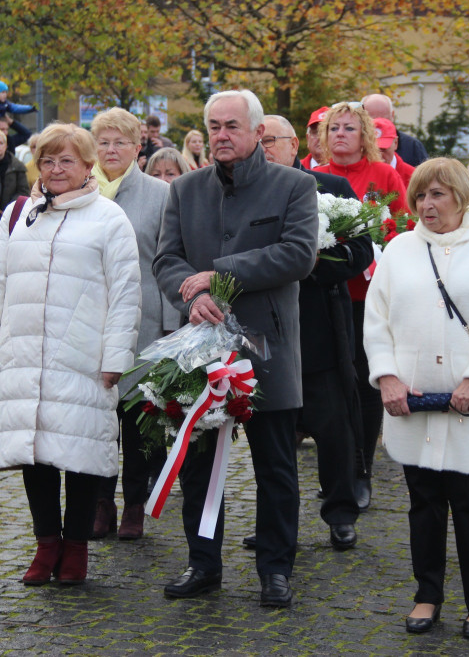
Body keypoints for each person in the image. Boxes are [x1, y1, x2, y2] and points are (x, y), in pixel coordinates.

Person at [153, 89, 318, 607]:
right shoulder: (184, 189)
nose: (221, 135)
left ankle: (275, 569)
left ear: (254, 132)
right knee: (198, 464)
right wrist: (195, 290)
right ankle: (203, 563)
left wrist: (218, 275)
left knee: (275, 467)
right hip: (200, 349)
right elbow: (167, 259)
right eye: (214, 126)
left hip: (267, 347)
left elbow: (297, 255)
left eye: (231, 126)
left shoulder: (295, 185)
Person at [0, 123, 141, 587]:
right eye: (47, 160)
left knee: (82, 455)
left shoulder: (109, 219)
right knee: (35, 454)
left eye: (67, 160)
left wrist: (115, 357)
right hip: (25, 351)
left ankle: (77, 548)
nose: (56, 169)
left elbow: (127, 292)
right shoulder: (18, 214)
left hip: (82, 355)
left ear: (88, 166)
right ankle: (47, 544)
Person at [364, 158, 469, 639]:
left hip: (468, 402)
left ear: (460, 195)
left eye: (437, 195)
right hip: (411, 402)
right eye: (419, 196)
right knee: (424, 504)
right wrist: (387, 377)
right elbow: (377, 320)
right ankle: (427, 594)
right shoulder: (399, 249)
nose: (426, 205)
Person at [250, 113, 372, 550]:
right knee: (272, 440)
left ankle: (341, 513)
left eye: (271, 141)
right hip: (265, 333)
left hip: (319, 328)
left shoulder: (331, 189)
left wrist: (311, 265)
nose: (263, 148)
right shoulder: (245, 191)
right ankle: (276, 522)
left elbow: (359, 252)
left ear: (294, 144)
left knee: (334, 431)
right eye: (258, 140)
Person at [315, 100, 409, 511]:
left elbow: (403, 228)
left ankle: (362, 470)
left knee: (365, 384)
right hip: (325, 297)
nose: (340, 135)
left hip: (369, 299)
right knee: (332, 387)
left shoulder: (384, 174)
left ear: (365, 136)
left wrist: (373, 238)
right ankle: (335, 473)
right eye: (334, 128)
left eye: (349, 128)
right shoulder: (313, 177)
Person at [87, 107, 176, 541]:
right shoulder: (80, 193)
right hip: (90, 323)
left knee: (140, 420)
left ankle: (135, 503)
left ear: (138, 147)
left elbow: (167, 262)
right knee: (98, 419)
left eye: (120, 141)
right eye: (102, 141)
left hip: (144, 321)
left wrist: (170, 327)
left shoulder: (159, 195)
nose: (110, 150)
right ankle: (101, 502)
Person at [361, 93, 428, 166]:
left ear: (392, 116)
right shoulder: (353, 145)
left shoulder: (412, 147)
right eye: (371, 121)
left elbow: (425, 176)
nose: (378, 124)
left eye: (383, 119)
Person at [0, 79, 36, 149]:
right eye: (1, 130)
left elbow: (15, 107)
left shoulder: (9, 142)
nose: (4, 133)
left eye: (6, 129)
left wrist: (29, 108)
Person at [0, 128, 29, 213]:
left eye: (1, 143)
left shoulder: (17, 167)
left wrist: (8, 209)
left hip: (10, 213)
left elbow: (23, 192)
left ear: (6, 146)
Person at [375, 118, 415, 187]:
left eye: (383, 149)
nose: (379, 155)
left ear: (396, 143)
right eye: (373, 150)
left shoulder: (412, 177)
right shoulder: (357, 174)